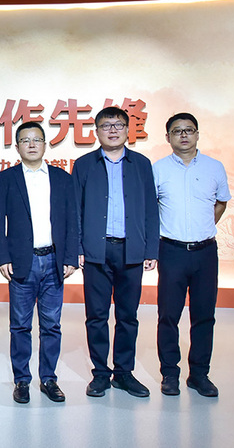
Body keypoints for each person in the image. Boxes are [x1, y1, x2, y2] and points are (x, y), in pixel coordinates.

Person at [73, 106, 159, 398]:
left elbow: (151, 209)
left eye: (118, 125)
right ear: (96, 131)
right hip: (96, 251)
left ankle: (124, 373)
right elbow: (75, 210)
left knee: (128, 316)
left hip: (131, 250)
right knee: (96, 316)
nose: (113, 130)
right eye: (106, 125)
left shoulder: (141, 164)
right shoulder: (84, 164)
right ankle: (100, 374)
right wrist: (78, 247)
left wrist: (151, 248)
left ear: (127, 130)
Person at [0, 121, 79, 404]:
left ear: (45, 144)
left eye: (37, 139)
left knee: (52, 325)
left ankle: (49, 379)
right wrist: (3, 257)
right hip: (22, 262)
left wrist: (70, 257)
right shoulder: (7, 178)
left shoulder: (62, 178)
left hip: (54, 261)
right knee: (20, 325)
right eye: (25, 140)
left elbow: (72, 220)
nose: (31, 144)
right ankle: (22, 380)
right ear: (17, 147)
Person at [153, 113, 230, 397]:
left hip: (205, 252)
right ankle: (170, 374)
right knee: (168, 316)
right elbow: (151, 208)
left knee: (204, 316)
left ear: (197, 134)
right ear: (168, 137)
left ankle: (199, 375)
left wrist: (202, 228)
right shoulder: (158, 169)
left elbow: (221, 203)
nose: (183, 135)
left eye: (189, 130)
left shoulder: (214, 167)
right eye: (177, 131)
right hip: (171, 251)